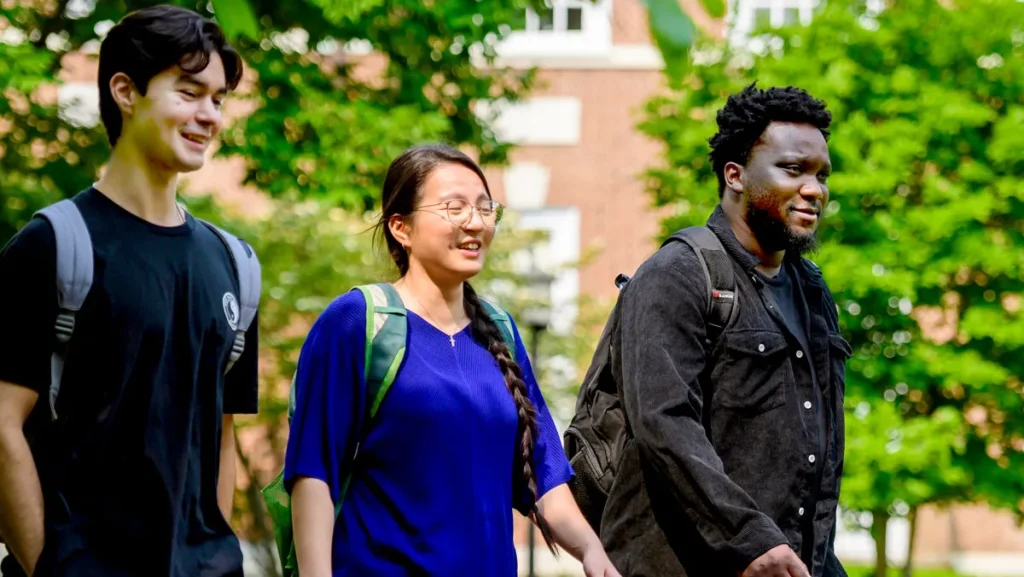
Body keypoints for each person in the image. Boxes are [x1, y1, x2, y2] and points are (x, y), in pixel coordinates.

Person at [0, 5, 258, 576]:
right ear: (125, 90)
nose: (209, 115)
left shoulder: (235, 266)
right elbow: (1, 424)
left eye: (218, 99)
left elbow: (218, 434)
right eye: (189, 92)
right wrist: (52, 568)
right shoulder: (53, 246)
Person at [283, 143, 620, 576]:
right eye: (454, 207)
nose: (475, 222)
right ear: (401, 227)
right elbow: (314, 470)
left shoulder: (501, 332)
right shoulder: (356, 322)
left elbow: (544, 473)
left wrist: (591, 550)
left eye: (485, 208)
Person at [599, 84, 851, 577]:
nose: (814, 189)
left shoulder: (811, 291)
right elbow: (663, 424)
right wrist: (750, 542)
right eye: (792, 169)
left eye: (821, 175)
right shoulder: (677, 274)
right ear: (734, 175)